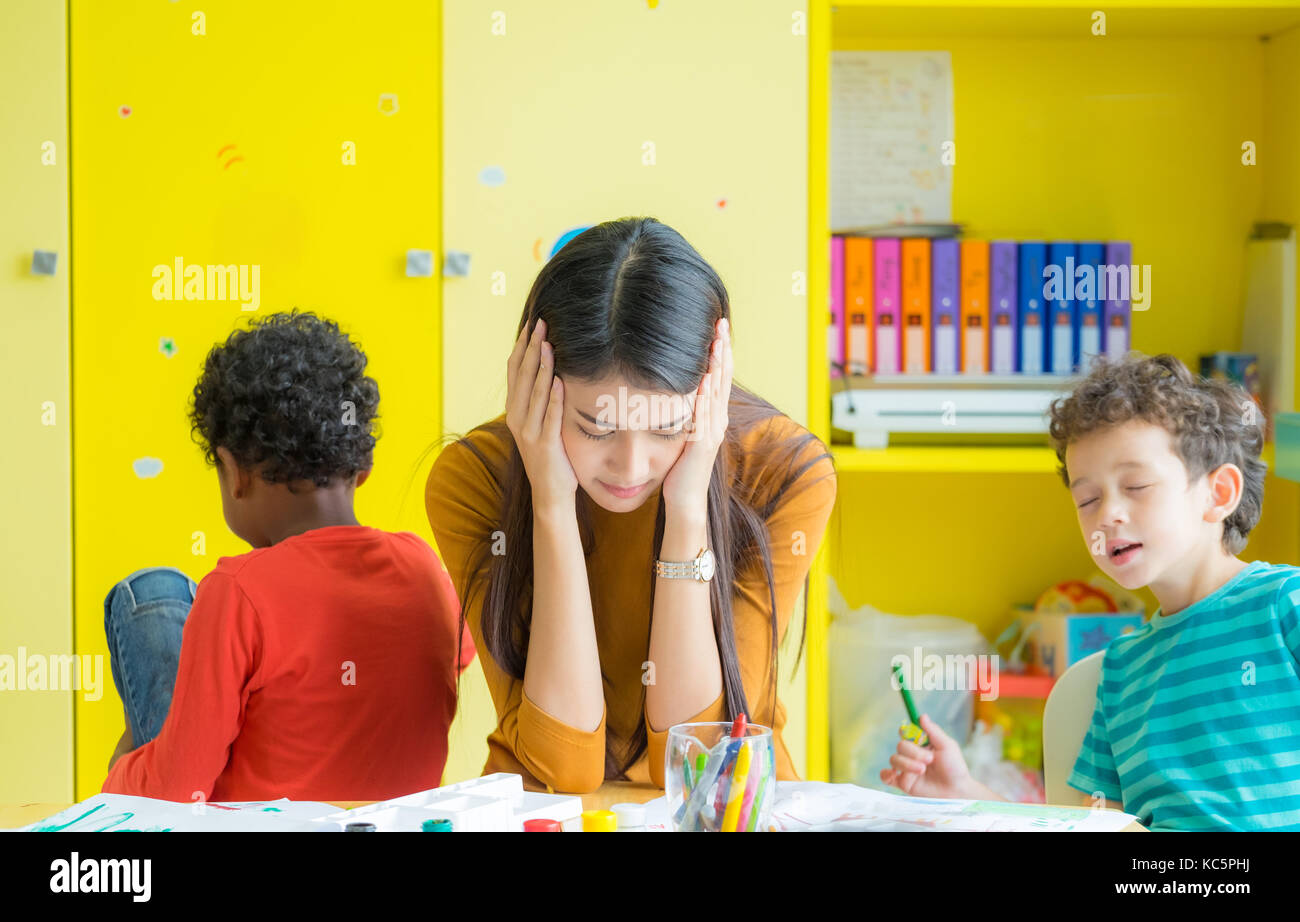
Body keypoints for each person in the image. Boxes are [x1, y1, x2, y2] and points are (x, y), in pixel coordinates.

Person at [426, 216, 837, 793]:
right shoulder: (474, 479)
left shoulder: (784, 471)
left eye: (666, 429)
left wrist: (688, 505)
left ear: (709, 390)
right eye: (595, 428)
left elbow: (698, 763)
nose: (629, 465)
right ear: (535, 382)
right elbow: (559, 765)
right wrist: (551, 502)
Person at [882, 352, 1300, 830]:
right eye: (1088, 499)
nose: (1107, 515)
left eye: (1137, 485)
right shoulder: (1121, 671)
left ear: (1218, 493)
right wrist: (964, 792)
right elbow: (1082, 827)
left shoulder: (1284, 605)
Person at [102, 310, 473, 802]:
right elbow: (453, 657)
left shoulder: (237, 590)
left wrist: (118, 774)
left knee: (148, 593)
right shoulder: (426, 569)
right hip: (392, 822)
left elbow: (177, 787)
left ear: (234, 473)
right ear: (362, 467)